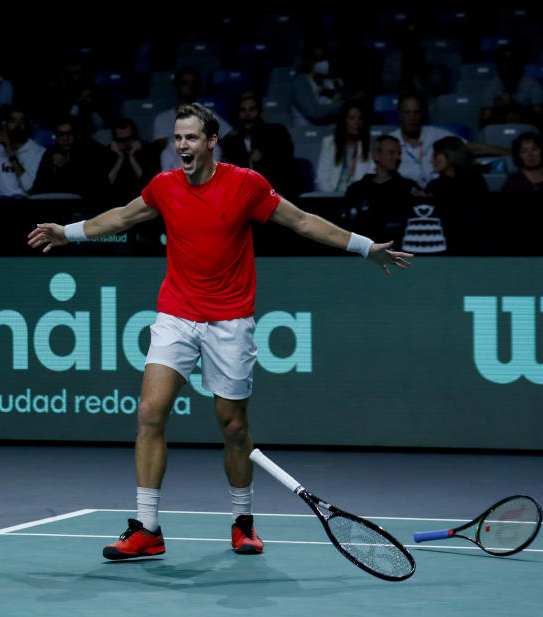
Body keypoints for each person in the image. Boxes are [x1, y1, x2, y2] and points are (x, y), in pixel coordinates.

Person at [27, 103, 411, 561]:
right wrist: (68, 233)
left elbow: (302, 221)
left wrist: (366, 248)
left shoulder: (246, 184)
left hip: (230, 320)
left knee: (233, 426)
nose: (182, 146)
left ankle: (243, 522)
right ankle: (147, 529)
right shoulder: (164, 186)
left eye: (191, 138)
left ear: (211, 142)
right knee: (150, 411)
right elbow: (122, 217)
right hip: (176, 314)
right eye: (177, 138)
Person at [343, 135, 422, 241]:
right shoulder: (357, 189)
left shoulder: (409, 187)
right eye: (391, 153)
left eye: (399, 153)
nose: (397, 158)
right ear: (376, 156)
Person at [220, 92, 297, 197]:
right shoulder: (233, 142)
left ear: (260, 112)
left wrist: (263, 159)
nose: (247, 114)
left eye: (252, 109)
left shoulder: (277, 133)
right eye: (243, 110)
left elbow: (287, 168)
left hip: (274, 193)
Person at [421, 136, 489, 254]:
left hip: (475, 243)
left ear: (451, 155)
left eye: (436, 155)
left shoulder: (475, 181)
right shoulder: (434, 185)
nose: (432, 161)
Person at [152, 67, 232, 152]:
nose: (190, 87)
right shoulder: (162, 118)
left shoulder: (208, 115)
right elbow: (162, 147)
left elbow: (231, 135)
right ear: (177, 86)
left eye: (193, 84)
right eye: (185, 83)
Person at [31, 116, 106, 198]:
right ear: (56, 135)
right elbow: (38, 186)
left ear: (77, 134)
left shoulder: (89, 151)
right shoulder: (50, 153)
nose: (65, 138)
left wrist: (67, 167)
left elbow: (92, 186)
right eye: (61, 134)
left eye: (69, 133)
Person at [0, 107, 46, 197]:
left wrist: (10, 153)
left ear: (28, 124)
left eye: (22, 122)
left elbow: (29, 187)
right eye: (13, 121)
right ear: (6, 125)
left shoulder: (40, 153)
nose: (17, 125)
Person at [315, 103, 375, 193]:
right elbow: (322, 177)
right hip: (332, 195)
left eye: (360, 118)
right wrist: (331, 196)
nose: (356, 122)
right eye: (351, 118)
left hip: (359, 195)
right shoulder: (329, 143)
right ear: (343, 121)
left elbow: (371, 174)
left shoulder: (370, 144)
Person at [289, 42, 352, 127]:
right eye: (318, 59)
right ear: (307, 60)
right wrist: (345, 104)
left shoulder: (334, 80)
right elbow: (315, 112)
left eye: (324, 59)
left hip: (334, 132)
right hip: (309, 134)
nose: (323, 63)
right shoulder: (300, 82)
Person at [481, 45, 543, 127]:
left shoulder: (533, 86)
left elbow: (538, 117)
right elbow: (485, 120)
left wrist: (513, 105)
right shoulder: (491, 86)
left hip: (527, 132)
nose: (507, 66)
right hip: (499, 131)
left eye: (511, 61)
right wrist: (504, 118)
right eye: (504, 61)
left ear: (520, 64)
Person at [107, 117, 161, 206]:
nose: (126, 143)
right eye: (120, 140)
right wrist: (119, 159)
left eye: (129, 138)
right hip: (115, 203)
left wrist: (132, 158)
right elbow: (106, 185)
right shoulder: (108, 153)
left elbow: (149, 184)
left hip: (142, 202)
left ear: (135, 136)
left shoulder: (149, 150)